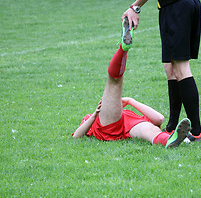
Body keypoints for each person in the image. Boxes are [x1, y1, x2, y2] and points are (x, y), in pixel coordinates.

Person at [73, 18, 191, 149]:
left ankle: (169, 141)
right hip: (107, 125)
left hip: (127, 127)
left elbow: (159, 119)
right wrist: (94, 115)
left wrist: (130, 100)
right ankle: (123, 49)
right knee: (114, 82)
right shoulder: (92, 117)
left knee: (152, 132)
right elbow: (76, 136)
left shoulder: (134, 118)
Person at [122, 0, 201, 142]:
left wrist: (135, 7)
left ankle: (197, 133)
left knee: (181, 68)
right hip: (187, 4)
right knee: (170, 67)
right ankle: (171, 126)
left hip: (176, 6)